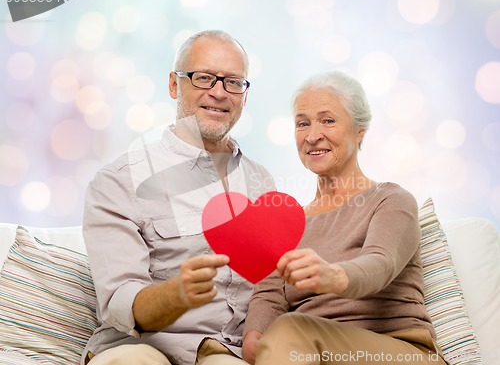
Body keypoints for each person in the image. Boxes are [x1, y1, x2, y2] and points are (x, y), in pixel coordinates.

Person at [201, 71, 448, 365]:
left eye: (327, 120)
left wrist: (334, 275)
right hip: (307, 353)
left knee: (291, 330)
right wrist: (254, 336)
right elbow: (269, 295)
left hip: (398, 351)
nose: (312, 135)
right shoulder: (288, 223)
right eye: (302, 123)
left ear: (360, 131)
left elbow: (381, 263)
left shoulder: (392, 200)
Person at [81, 30, 275, 365]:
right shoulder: (119, 181)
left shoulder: (262, 183)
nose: (218, 92)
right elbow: (119, 302)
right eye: (203, 78)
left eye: (233, 82)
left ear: (245, 95)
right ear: (174, 85)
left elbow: (272, 290)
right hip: (141, 347)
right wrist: (176, 295)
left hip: (224, 352)